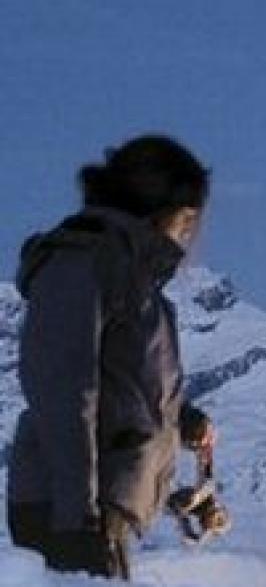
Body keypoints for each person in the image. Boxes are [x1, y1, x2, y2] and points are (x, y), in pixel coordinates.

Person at [6, 135, 216, 580]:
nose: (190, 235)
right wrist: (76, 520)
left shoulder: (131, 276)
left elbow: (126, 385)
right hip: (66, 511)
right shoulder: (80, 263)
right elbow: (64, 389)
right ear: (165, 208)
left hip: (102, 511)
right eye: (188, 219)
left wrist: (182, 420)